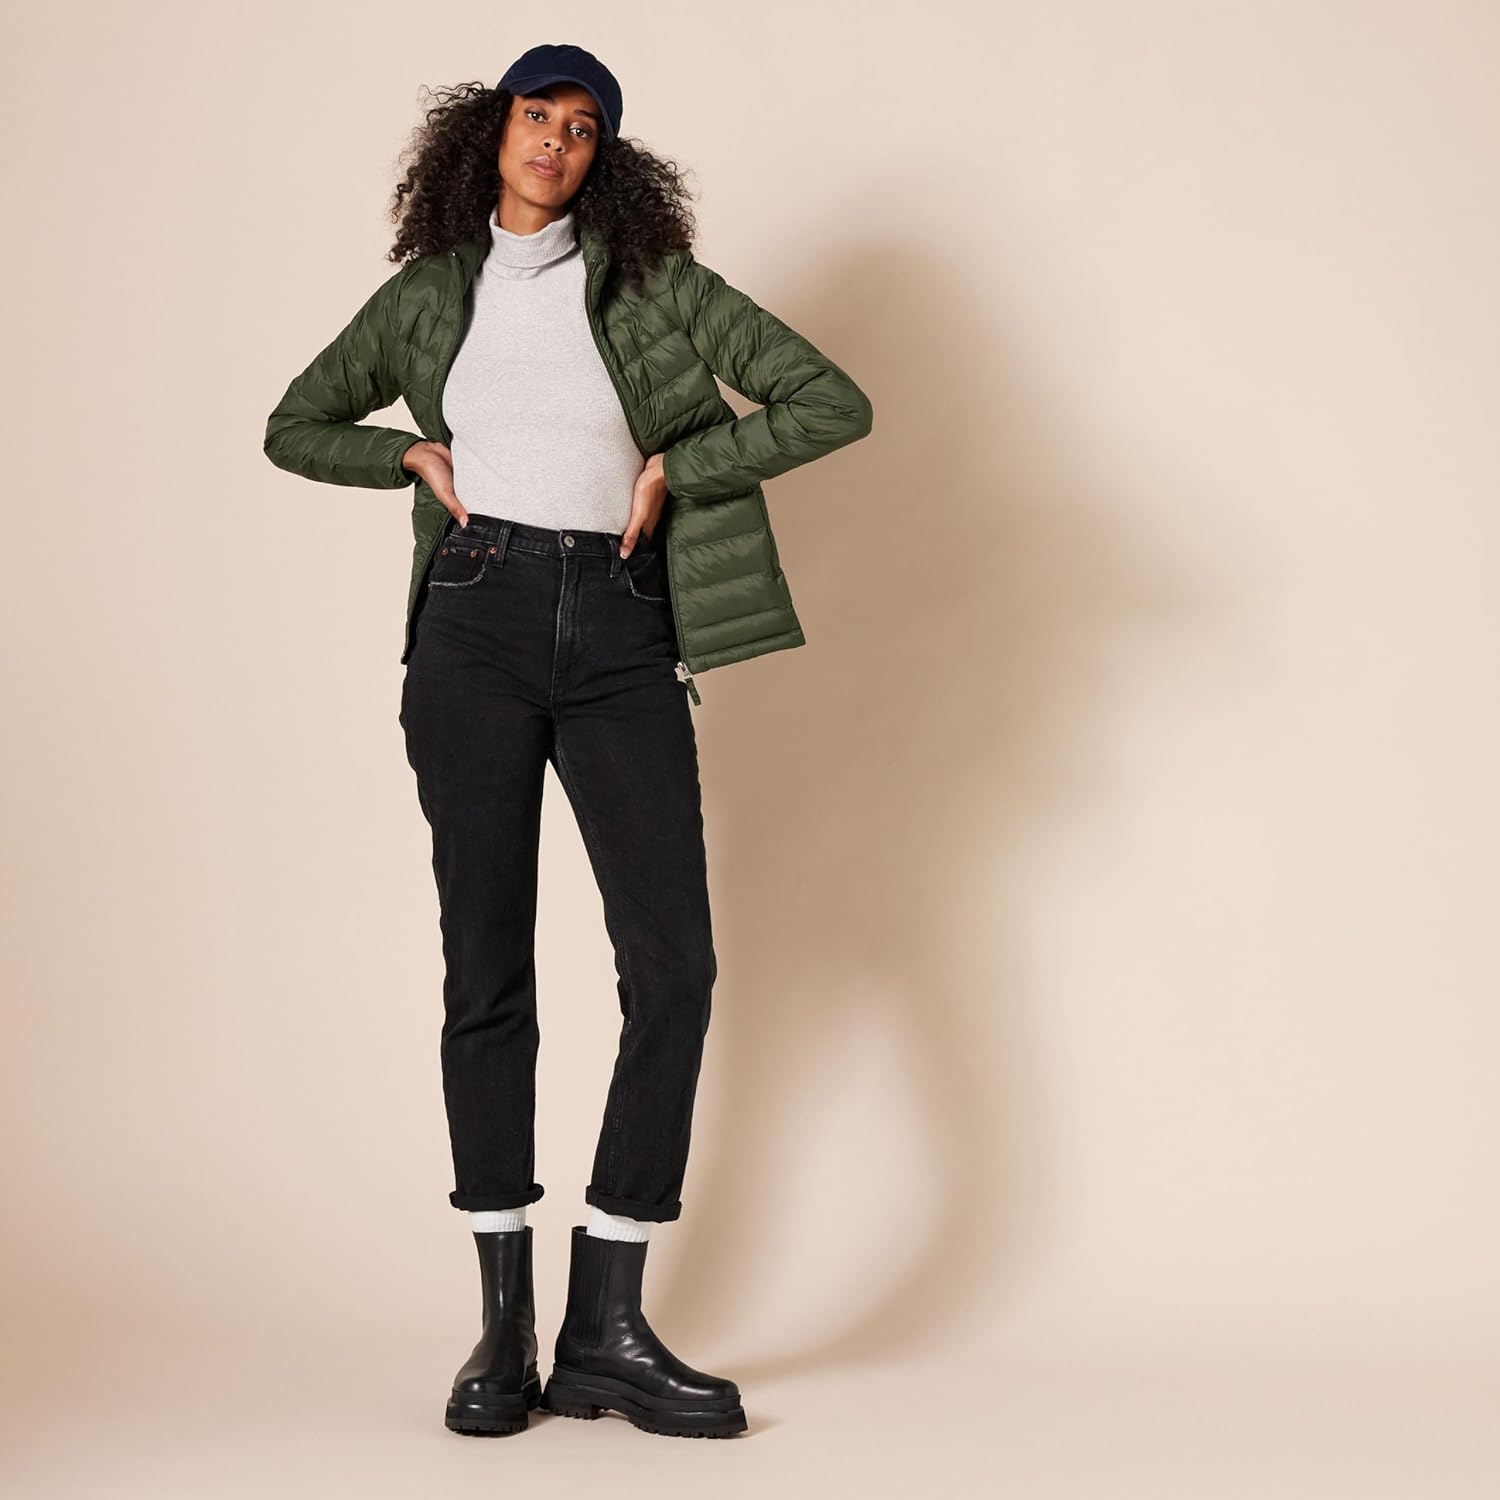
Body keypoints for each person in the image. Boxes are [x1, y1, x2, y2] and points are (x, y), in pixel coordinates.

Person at [262, 42, 873, 1440]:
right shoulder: (430, 294)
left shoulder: (657, 287)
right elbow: (295, 424)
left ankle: (607, 1324)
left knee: (673, 968)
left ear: (608, 158)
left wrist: (682, 465)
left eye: (584, 126)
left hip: (619, 627)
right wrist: (403, 453)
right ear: (490, 134)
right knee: (488, 971)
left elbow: (829, 399)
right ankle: (503, 1332)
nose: (555, 140)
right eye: (537, 115)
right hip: (473, 623)